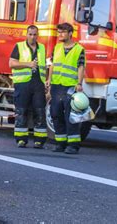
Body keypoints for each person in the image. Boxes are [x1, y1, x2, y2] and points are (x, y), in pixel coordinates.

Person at [46, 22, 85, 154]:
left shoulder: (79, 49)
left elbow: (81, 67)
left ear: (70, 33)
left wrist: (79, 83)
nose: (60, 34)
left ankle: (73, 145)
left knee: (71, 116)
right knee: (55, 114)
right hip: (57, 86)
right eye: (59, 32)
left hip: (70, 86)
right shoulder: (57, 47)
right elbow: (52, 65)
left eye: (62, 32)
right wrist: (49, 80)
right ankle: (60, 143)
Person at [9, 25, 48, 148]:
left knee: (39, 111)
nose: (32, 37)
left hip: (38, 84)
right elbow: (11, 63)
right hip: (23, 84)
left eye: (35, 34)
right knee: (22, 111)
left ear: (37, 35)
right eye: (30, 34)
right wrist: (28, 64)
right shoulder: (19, 46)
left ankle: (40, 140)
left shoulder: (42, 47)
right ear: (26, 34)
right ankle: (21, 139)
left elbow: (45, 66)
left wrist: (47, 82)